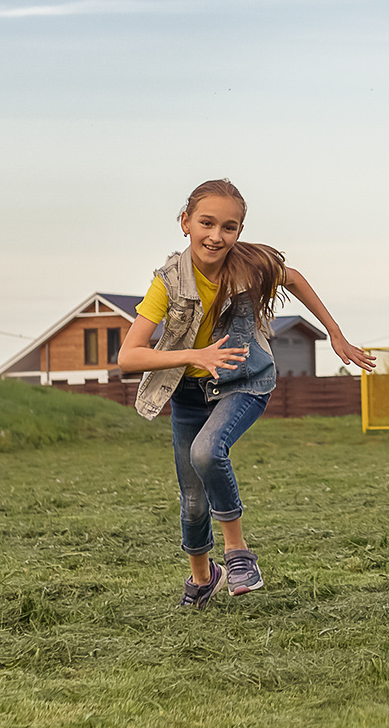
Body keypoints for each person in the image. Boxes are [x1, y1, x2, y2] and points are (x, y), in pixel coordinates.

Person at [121, 179, 374, 607]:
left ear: (239, 230)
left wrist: (336, 334)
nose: (216, 236)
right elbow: (130, 356)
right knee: (193, 499)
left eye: (229, 227)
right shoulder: (167, 283)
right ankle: (203, 579)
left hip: (244, 383)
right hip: (188, 390)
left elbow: (293, 279)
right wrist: (194, 356)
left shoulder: (251, 265)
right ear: (185, 222)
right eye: (206, 223)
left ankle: (238, 553)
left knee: (207, 451)